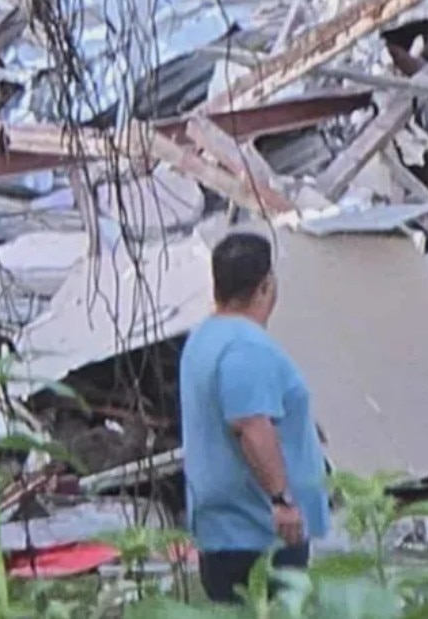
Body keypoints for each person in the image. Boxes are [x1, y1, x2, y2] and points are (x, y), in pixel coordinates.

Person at [178, 231, 329, 603]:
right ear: (266, 286)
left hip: (222, 527)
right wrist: (282, 501)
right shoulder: (245, 346)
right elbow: (251, 427)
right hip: (258, 533)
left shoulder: (203, 338)